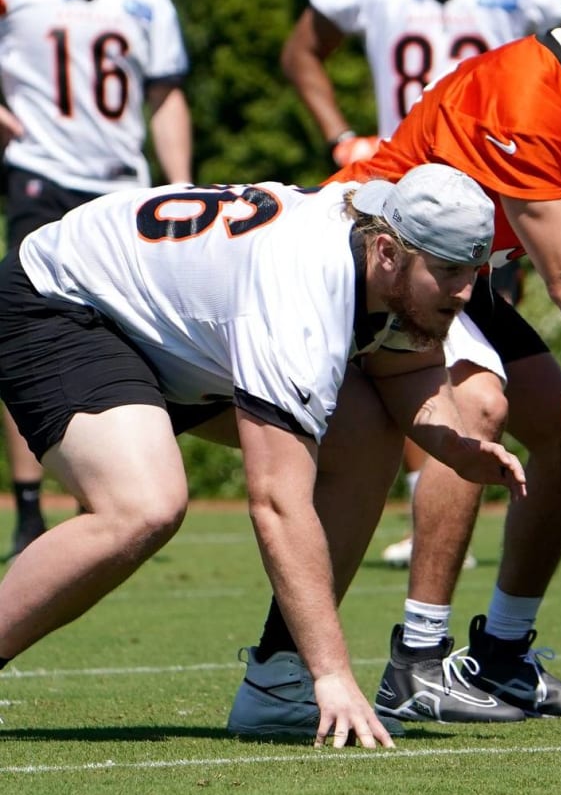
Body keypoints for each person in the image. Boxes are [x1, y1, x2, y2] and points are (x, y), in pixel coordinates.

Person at [229, 0, 561, 728]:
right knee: (477, 406)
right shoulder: (527, 91)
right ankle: (416, 659)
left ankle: (505, 654)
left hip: (458, 275)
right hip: (374, 261)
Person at [0, 163, 526, 747]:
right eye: (449, 272)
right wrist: (333, 673)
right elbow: (276, 501)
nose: (464, 291)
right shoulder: (304, 289)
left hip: (173, 330)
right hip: (65, 303)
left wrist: (454, 447)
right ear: (386, 252)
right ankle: (305, 674)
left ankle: (278, 684)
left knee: (366, 429)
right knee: (143, 504)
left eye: (474, 272)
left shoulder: (387, 258)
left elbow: (411, 365)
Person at [280, 0, 561, 565]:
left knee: (457, 349)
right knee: (408, 339)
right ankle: (422, 499)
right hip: (398, 193)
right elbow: (301, 51)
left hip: (485, 200)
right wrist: (342, 136)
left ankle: (444, 488)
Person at [0, 0, 192, 560]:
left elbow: (166, 90)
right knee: (27, 332)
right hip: (39, 175)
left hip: (120, 187)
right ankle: (28, 508)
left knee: (134, 336)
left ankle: (115, 486)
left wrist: (177, 184)